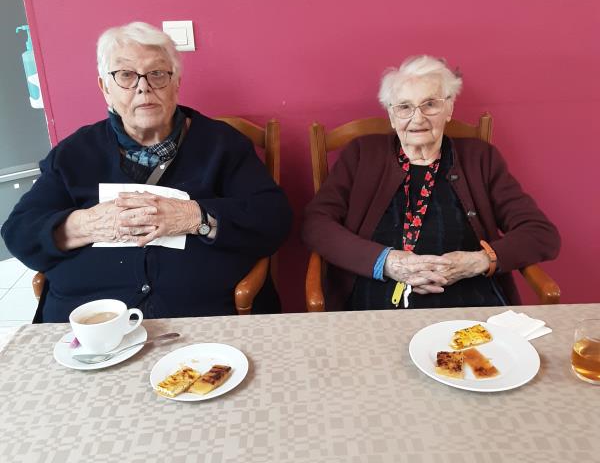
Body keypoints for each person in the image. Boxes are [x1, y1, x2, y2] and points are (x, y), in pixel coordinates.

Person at [1, 21, 292, 321]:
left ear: (176, 83)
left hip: (200, 317)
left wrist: (194, 216)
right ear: (105, 88)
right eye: (126, 75)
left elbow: (273, 218)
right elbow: (19, 233)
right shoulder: (74, 153)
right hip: (90, 321)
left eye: (157, 74)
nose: (143, 87)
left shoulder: (222, 144)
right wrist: (88, 224)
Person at [302, 55, 560, 311]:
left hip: (468, 294)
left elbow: (540, 232)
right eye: (404, 107)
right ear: (391, 115)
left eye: (430, 104)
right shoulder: (361, 154)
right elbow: (316, 223)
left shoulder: (480, 158)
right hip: (378, 293)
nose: (417, 118)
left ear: (449, 109)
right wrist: (386, 262)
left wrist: (479, 261)